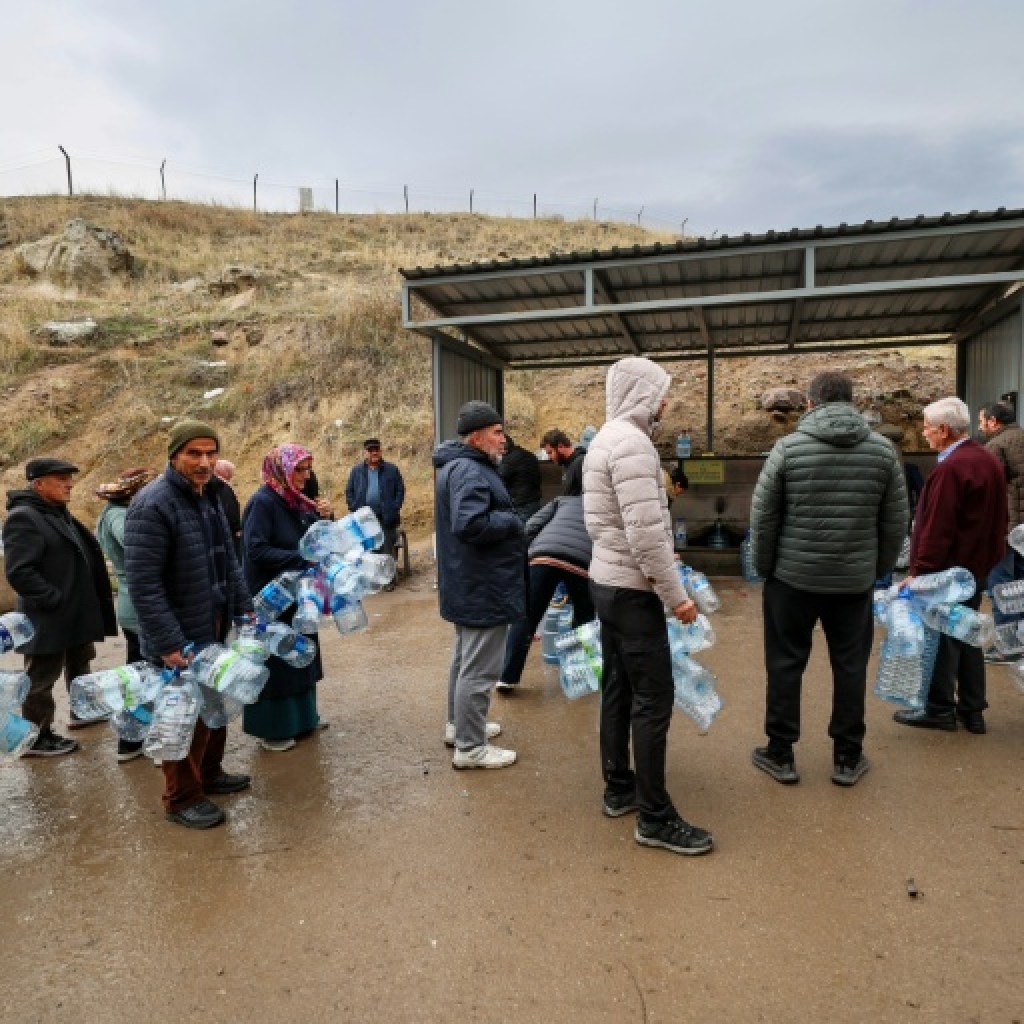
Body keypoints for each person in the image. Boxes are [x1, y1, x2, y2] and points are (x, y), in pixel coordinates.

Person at [749, 371, 908, 787]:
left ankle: (780, 753)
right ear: (851, 401)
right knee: (851, 667)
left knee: (785, 665)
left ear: (809, 403)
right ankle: (846, 757)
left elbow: (763, 519)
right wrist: (877, 569)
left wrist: (765, 569)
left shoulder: (787, 449)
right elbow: (896, 523)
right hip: (853, 584)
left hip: (792, 581)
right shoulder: (884, 452)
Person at [583, 356, 712, 857]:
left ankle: (620, 787)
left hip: (607, 582)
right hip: (633, 591)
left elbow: (623, 524)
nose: (664, 403)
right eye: (660, 394)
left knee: (617, 688)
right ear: (641, 393)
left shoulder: (605, 440)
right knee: (653, 700)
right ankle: (656, 818)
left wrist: (658, 554)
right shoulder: (633, 444)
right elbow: (644, 532)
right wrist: (675, 595)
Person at [125, 420, 254, 829]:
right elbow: (144, 583)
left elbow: (228, 559)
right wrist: (167, 642)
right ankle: (180, 798)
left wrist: (244, 606)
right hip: (178, 634)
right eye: (194, 454)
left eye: (211, 453)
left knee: (213, 706)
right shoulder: (153, 504)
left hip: (211, 623)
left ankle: (210, 775)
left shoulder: (211, 494)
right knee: (182, 718)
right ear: (174, 455)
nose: (205, 462)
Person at [894, 397, 1007, 735]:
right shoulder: (986, 460)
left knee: (942, 637)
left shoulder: (950, 469)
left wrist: (919, 573)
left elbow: (936, 529)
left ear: (944, 430)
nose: (924, 434)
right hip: (976, 569)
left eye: (927, 428)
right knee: (968, 633)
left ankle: (939, 708)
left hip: (948, 573)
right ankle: (973, 710)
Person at [3, 457, 117, 756]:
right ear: (39, 484)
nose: (69, 484)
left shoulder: (54, 511)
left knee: (81, 663)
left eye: (70, 477)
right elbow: (19, 571)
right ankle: (36, 738)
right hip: (48, 616)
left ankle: (84, 711)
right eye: (61, 479)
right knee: (41, 679)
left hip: (74, 614)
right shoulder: (24, 517)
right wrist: (54, 599)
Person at [433, 400, 524, 768]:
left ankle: (460, 726)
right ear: (476, 437)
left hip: (468, 582)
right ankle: (471, 748)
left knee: (464, 658)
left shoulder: (459, 466)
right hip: (482, 585)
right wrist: (512, 521)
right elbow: (470, 524)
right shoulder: (469, 470)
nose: (504, 439)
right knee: (481, 667)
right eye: (498, 432)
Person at [242, 444, 331, 751]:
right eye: (299, 470)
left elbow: (315, 540)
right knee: (279, 658)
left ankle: (305, 717)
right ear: (282, 470)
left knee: (303, 652)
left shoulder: (297, 501)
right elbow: (255, 549)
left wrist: (326, 518)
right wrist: (301, 559)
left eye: (308, 470)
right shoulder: (263, 502)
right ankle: (275, 729)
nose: (306, 477)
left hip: (298, 593)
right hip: (271, 598)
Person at [495, 487, 596, 693]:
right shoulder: (604, 506)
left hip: (544, 556)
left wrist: (525, 554)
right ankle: (580, 674)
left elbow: (531, 526)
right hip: (581, 564)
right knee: (584, 620)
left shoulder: (561, 501)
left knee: (526, 617)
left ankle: (507, 678)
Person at [95, 467, 160, 762]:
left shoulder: (115, 511)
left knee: (142, 674)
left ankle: (134, 738)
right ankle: (130, 740)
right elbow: (136, 545)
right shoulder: (120, 515)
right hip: (138, 606)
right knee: (140, 677)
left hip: (135, 603)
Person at [977, 399, 1024, 661]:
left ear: (994, 422)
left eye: (982, 420)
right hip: (1023, 531)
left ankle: (1008, 645)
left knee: (1002, 586)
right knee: (1021, 585)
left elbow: (988, 492)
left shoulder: (995, 446)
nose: (980, 426)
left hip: (1006, 528)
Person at [345, 438, 405, 570]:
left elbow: (400, 490)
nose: (374, 453)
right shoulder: (357, 471)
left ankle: (388, 577)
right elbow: (349, 491)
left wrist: (394, 508)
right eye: (370, 450)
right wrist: (353, 507)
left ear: (381, 451)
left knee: (387, 546)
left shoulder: (392, 469)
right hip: (364, 517)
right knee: (367, 546)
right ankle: (371, 576)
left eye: (376, 450)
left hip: (386, 516)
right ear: (365, 453)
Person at [498, 434, 543, 521]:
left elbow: (498, 478)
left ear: (504, 448)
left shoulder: (510, 460)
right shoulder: (528, 455)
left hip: (520, 504)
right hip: (534, 501)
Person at [210, 458, 242, 563]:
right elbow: (230, 510)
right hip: (228, 534)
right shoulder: (222, 486)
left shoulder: (211, 485)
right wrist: (237, 528)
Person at [541, 428, 586, 497]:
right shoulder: (567, 464)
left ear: (560, 446)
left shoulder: (580, 463)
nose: (550, 457)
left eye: (550, 452)